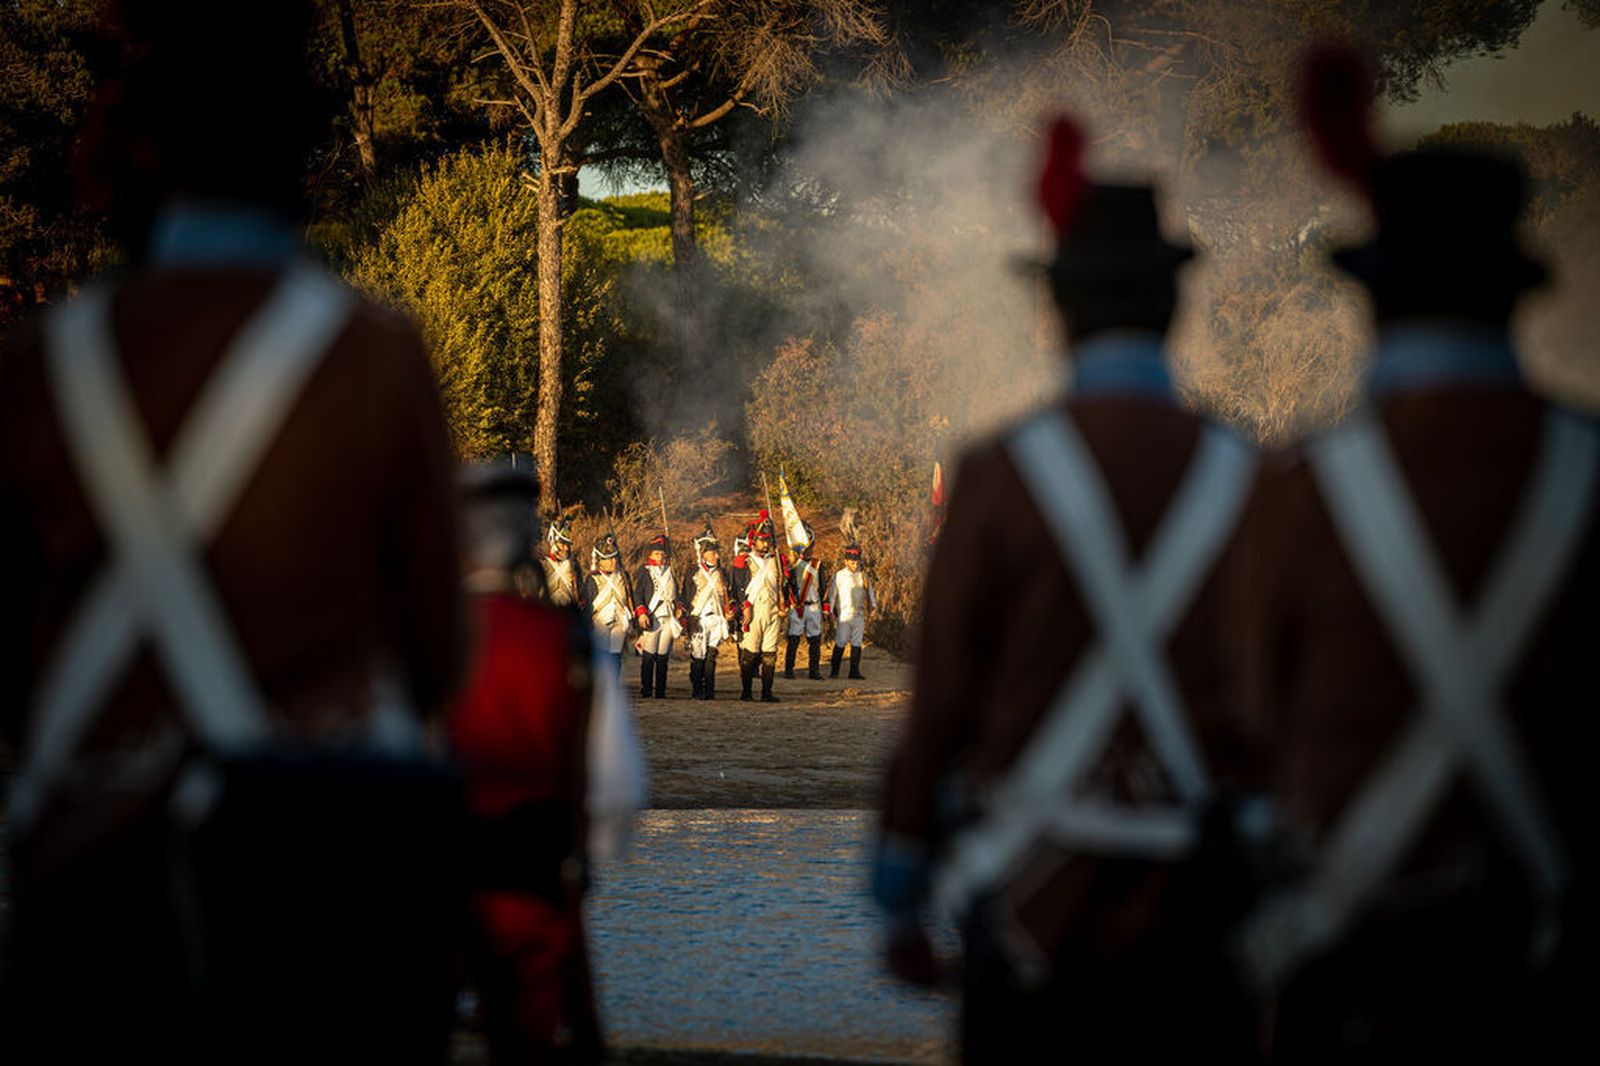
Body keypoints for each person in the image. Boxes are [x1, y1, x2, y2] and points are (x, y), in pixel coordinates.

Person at [0, 3, 466, 1062]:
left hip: (99, 893)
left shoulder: (39, 361)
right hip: (325, 882)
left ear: (142, 146)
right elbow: (437, 656)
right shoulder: (377, 354)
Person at [871, 117, 1263, 1061]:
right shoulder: (1254, 473)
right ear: (1172, 307)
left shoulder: (999, 475)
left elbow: (941, 704)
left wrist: (899, 886)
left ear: (1059, 311)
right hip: (1200, 918)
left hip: (1032, 915)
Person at [1233, 67, 1597, 1059]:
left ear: (1378, 297)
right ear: (1509, 293)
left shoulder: (1297, 485)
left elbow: (1245, 716)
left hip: (1356, 960)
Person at [450, 462, 603, 1065]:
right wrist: (580, 857)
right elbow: (611, 788)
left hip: (452, 870)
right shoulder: (566, 637)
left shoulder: (436, 634)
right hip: (540, 872)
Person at [731, 514, 788, 703]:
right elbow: (737, 587)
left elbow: (784, 585)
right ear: (753, 541)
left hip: (772, 610)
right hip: (753, 611)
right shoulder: (744, 561)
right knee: (749, 652)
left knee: (770, 653)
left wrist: (784, 603)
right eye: (762, 540)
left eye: (768, 540)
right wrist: (744, 607)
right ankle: (746, 692)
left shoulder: (777, 560)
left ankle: (766, 692)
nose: (766, 544)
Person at [681, 525, 736, 700]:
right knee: (699, 657)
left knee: (711, 657)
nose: (717, 556)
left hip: (717, 619)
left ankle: (710, 691)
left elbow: (729, 595)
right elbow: (686, 595)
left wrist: (730, 611)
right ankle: (697, 691)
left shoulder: (722, 572)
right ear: (702, 554)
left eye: (716, 553)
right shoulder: (692, 572)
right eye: (712, 553)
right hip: (699, 619)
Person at [632, 533, 682, 700]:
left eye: (662, 554)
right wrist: (642, 613)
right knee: (649, 655)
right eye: (657, 554)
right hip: (652, 617)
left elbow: (676, 594)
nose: (660, 557)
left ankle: (660, 691)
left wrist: (679, 607)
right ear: (650, 555)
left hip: (668, 617)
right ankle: (646, 689)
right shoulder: (645, 571)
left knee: (662, 656)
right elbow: (638, 594)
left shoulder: (670, 571)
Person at [582, 532, 634, 678]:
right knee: (602, 656)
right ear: (599, 561)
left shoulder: (623, 575)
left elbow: (629, 596)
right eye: (608, 559)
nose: (612, 561)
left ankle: (614, 684)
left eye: (614, 558)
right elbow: (588, 603)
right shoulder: (592, 578)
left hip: (619, 619)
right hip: (599, 621)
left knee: (616, 655)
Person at [825, 544, 875, 680]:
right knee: (840, 641)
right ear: (846, 561)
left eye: (857, 562)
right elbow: (832, 595)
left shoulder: (863, 576)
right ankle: (834, 671)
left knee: (857, 643)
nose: (855, 564)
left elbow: (870, 592)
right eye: (852, 562)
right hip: (844, 615)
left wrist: (873, 606)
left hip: (859, 614)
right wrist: (830, 612)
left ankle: (854, 672)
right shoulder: (839, 576)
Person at [785, 528, 827, 680]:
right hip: (797, 606)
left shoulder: (818, 565)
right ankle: (789, 669)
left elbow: (823, 587)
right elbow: (787, 586)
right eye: (805, 547)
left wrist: (825, 607)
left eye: (810, 547)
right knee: (794, 638)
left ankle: (814, 670)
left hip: (814, 605)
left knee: (815, 639)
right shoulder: (792, 566)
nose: (808, 550)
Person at [539, 517, 582, 608]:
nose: (566, 548)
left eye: (567, 545)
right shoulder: (542, 564)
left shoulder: (574, 565)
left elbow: (580, 598)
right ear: (553, 543)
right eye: (562, 544)